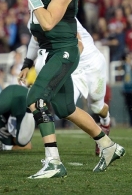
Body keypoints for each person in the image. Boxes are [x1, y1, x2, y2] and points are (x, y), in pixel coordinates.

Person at [7, 0, 125, 178]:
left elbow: (49, 22)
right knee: (66, 109)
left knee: (36, 99)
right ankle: (108, 145)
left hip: (64, 51)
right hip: (52, 52)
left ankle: (53, 162)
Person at [24, 17, 111, 156]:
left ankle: (105, 123)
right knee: (65, 108)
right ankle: (53, 157)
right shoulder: (36, 15)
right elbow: (35, 39)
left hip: (89, 63)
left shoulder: (61, 10)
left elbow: (79, 45)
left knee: (96, 107)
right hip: (72, 67)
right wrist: (27, 63)